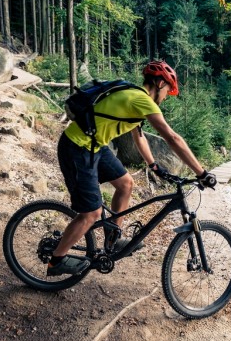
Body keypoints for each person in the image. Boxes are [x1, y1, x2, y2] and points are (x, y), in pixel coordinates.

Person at [49, 60, 217, 276]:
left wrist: (153, 165)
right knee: (91, 212)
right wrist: (201, 173)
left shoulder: (136, 97)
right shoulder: (141, 99)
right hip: (77, 147)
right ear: (158, 83)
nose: (166, 96)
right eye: (167, 90)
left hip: (94, 145)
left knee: (126, 184)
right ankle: (57, 260)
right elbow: (172, 138)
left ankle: (112, 239)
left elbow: (138, 136)